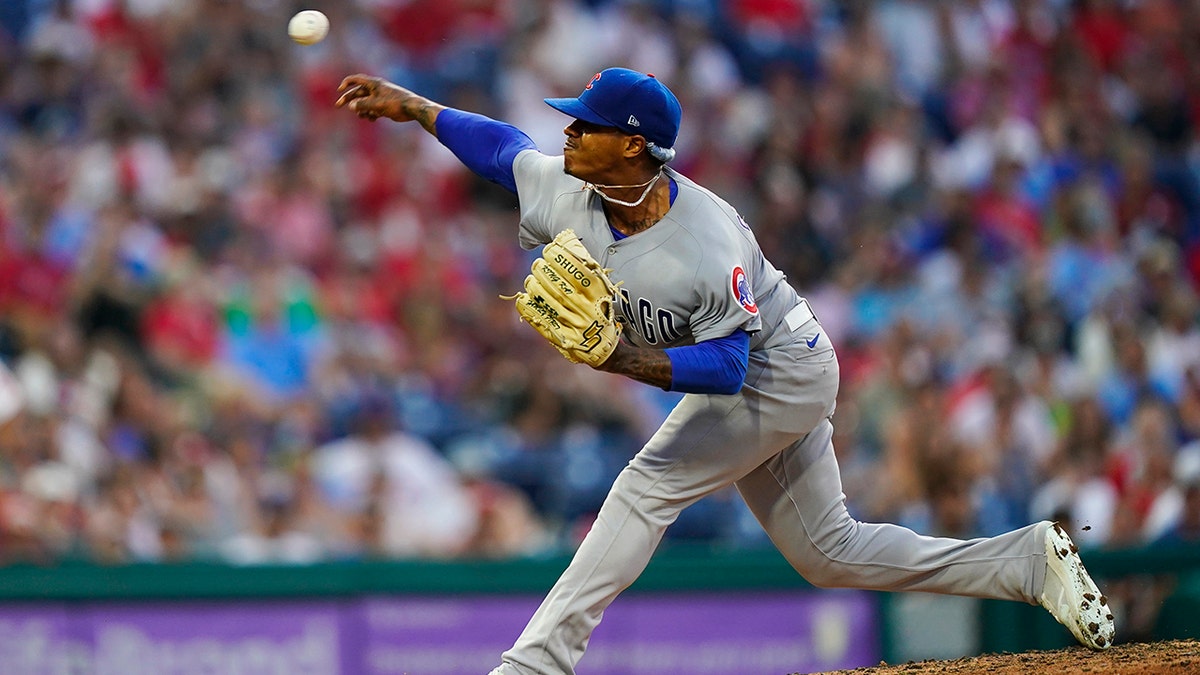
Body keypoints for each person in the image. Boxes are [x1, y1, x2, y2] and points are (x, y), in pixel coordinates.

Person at [334, 67, 1116, 674]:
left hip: (785, 369)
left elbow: (728, 368)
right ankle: (1021, 561)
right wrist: (416, 107)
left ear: (634, 144)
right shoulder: (570, 186)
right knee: (828, 553)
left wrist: (619, 355)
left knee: (647, 484)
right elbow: (501, 148)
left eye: (588, 125)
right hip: (761, 373)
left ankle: (536, 662)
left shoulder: (705, 242)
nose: (568, 132)